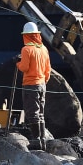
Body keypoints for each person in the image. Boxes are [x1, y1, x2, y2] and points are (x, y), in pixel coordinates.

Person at [16, 21, 51, 149]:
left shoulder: (26, 49)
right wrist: (43, 82)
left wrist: (17, 63)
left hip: (31, 85)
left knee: (33, 114)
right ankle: (43, 141)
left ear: (26, 36)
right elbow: (48, 70)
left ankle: (36, 142)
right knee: (40, 113)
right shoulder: (43, 49)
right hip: (42, 84)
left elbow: (24, 67)